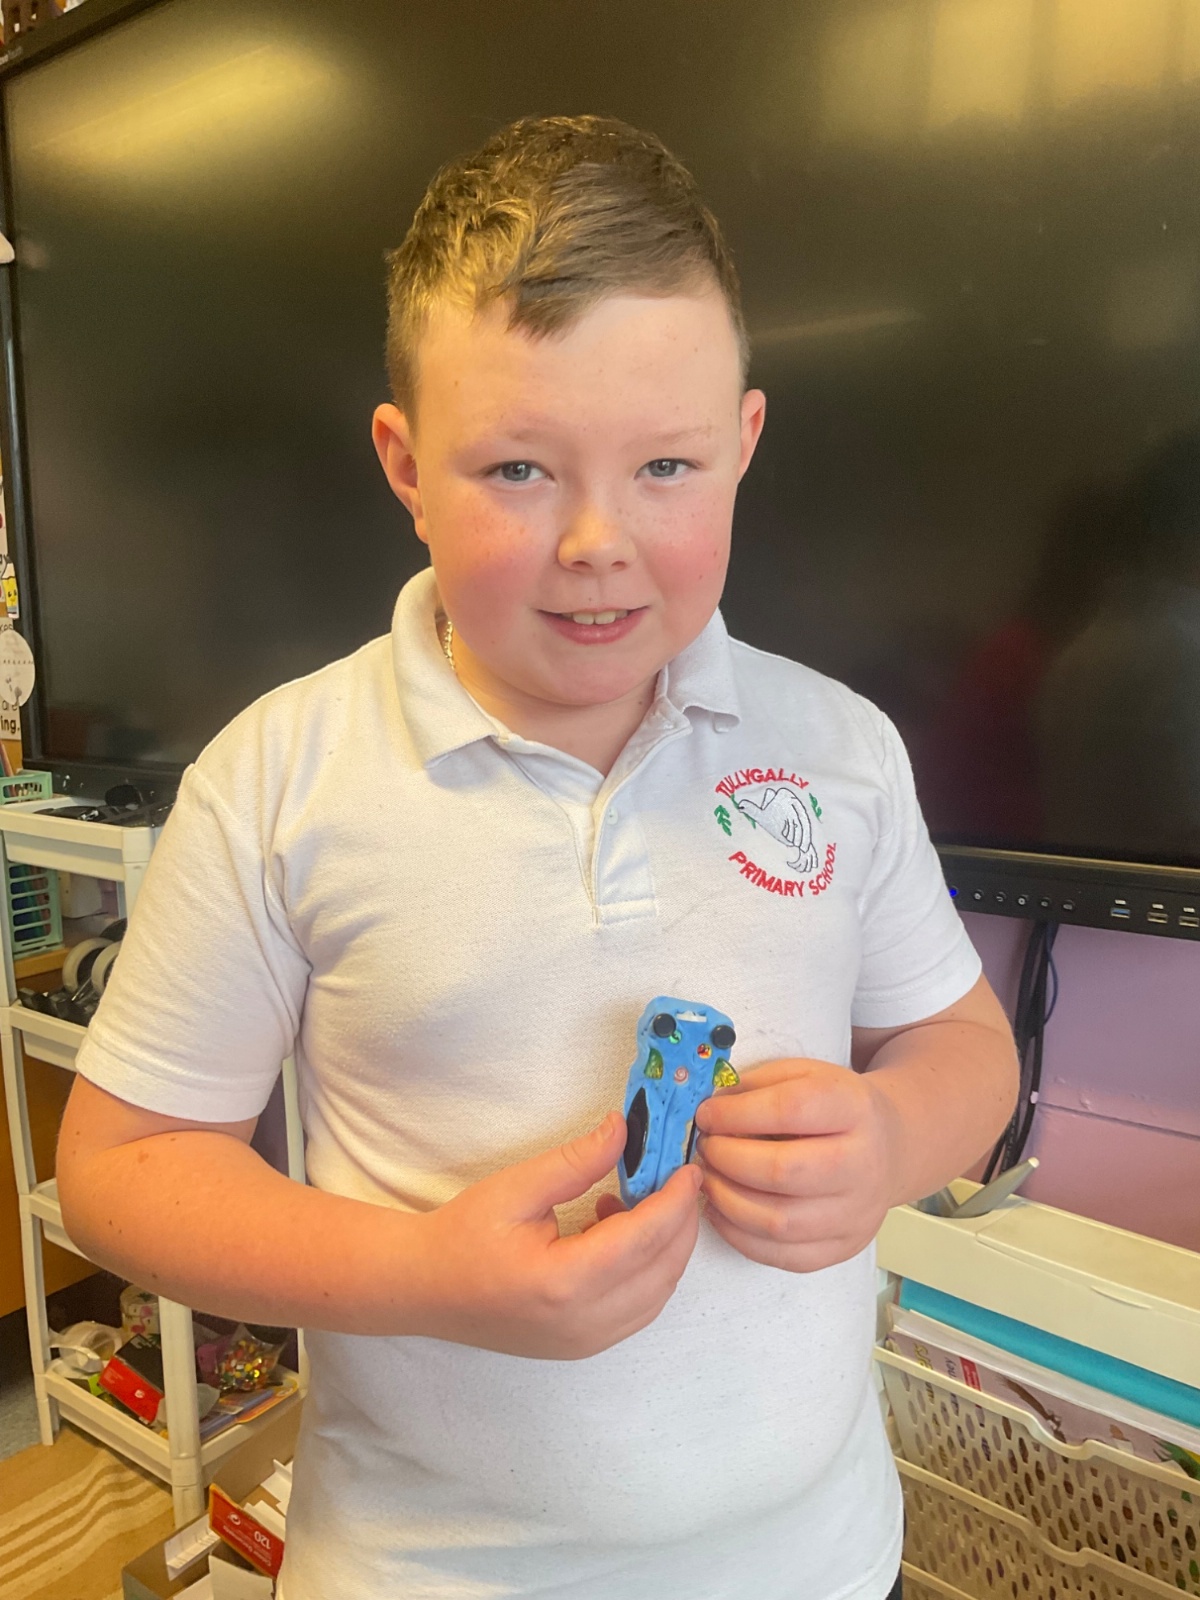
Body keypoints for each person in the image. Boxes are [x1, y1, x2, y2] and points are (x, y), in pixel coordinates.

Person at [56, 116, 1017, 1600]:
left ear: (744, 443)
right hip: (426, 1571)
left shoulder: (843, 749)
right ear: (404, 464)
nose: (596, 540)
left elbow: (964, 1046)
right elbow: (123, 1170)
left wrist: (893, 1137)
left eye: (667, 465)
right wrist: (423, 1276)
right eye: (517, 467)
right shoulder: (278, 777)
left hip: (820, 1562)